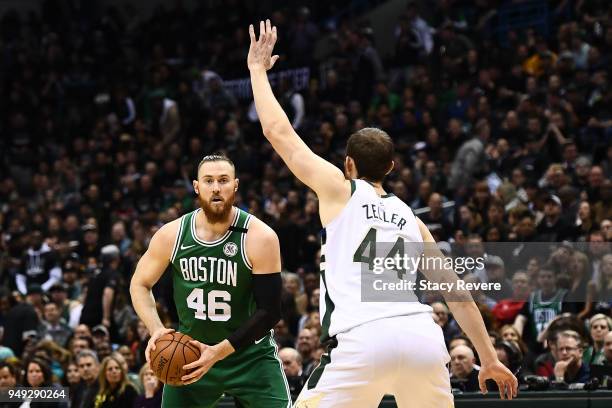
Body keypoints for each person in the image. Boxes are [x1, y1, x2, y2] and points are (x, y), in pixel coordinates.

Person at [248, 20, 517, 407]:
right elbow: (457, 294)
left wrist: (258, 71)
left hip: (362, 339)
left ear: (348, 164)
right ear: (391, 168)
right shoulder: (413, 218)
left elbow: (279, 132)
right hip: (422, 338)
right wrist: (489, 359)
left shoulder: (340, 189)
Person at [130, 154, 290, 407]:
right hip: (189, 356)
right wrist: (156, 329)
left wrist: (218, 352)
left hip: (250, 356)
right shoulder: (172, 235)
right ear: (196, 187)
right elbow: (139, 284)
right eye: (209, 181)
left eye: (223, 180)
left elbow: (270, 312)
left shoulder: (260, 237)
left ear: (235, 185)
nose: (216, 188)